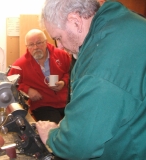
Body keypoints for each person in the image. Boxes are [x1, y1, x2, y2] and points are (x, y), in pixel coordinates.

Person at [36, 0, 146, 159]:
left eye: (58, 37)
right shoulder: (124, 22)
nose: (59, 46)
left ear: (76, 22)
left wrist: (52, 137)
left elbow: (79, 145)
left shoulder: (101, 66)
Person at [7, 29, 71, 124]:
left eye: (39, 43)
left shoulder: (62, 55)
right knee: (53, 129)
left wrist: (64, 82)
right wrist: (27, 89)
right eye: (31, 44)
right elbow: (9, 84)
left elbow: (73, 73)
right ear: (27, 47)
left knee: (78, 125)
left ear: (46, 42)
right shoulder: (20, 65)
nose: (36, 47)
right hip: (43, 105)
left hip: (67, 101)